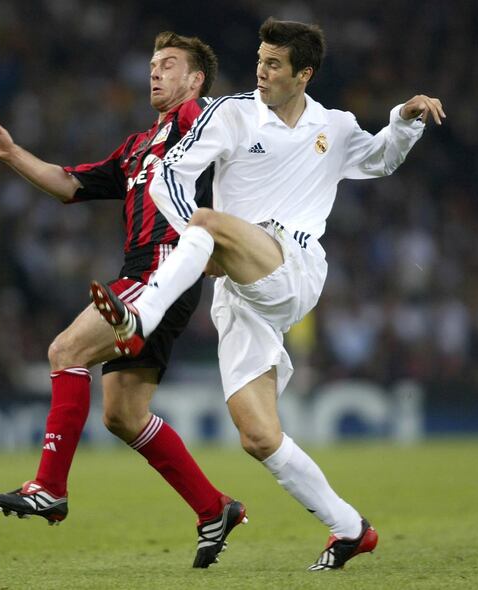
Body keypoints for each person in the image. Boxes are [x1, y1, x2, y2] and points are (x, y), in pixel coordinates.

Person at [90, 17, 446, 571]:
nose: (261, 70)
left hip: (295, 263)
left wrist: (404, 119)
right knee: (258, 436)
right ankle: (350, 528)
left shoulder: (333, 125)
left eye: (274, 63)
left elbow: (380, 159)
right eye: (259, 59)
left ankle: (142, 314)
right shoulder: (230, 113)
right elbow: (167, 178)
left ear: (303, 74)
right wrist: (200, 240)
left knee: (209, 222)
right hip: (240, 292)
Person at [0, 31, 246, 568]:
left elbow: (233, 123)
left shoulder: (201, 124)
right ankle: (214, 509)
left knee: (64, 351)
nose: (155, 73)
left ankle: (50, 488)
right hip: (142, 272)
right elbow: (70, 185)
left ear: (196, 80)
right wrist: (11, 154)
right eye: (152, 65)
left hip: (167, 266)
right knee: (122, 414)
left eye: (168, 64)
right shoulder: (138, 145)